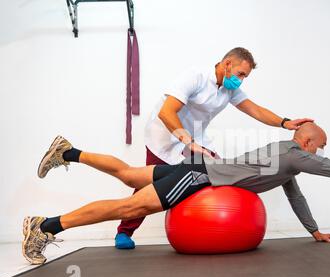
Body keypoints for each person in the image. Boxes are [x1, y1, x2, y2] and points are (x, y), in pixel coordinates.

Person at [24, 123, 330, 265]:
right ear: (306, 142)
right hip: (201, 181)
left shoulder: (284, 158)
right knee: (129, 204)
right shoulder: (296, 155)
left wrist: (314, 231)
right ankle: (44, 226)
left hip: (197, 170)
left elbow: (295, 195)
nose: (321, 154)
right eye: (318, 146)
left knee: (127, 173)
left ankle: (68, 151)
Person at [37, 47, 314, 250]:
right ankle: (125, 231)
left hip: (194, 142)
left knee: (150, 174)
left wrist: (285, 122)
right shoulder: (195, 76)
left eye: (245, 77)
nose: (240, 80)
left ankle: (67, 152)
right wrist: (187, 141)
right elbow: (168, 112)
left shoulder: (229, 89)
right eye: (240, 73)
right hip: (164, 136)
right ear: (227, 63)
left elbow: (253, 109)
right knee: (135, 184)